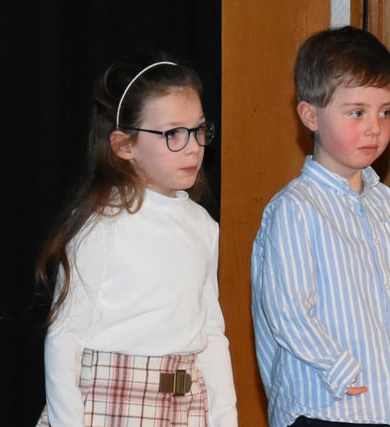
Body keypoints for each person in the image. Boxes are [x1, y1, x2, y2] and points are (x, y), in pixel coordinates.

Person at [34, 51, 238, 427]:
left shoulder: (203, 227)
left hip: (185, 405)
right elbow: (64, 339)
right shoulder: (102, 226)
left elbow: (211, 334)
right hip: (109, 408)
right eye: (173, 133)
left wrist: (226, 418)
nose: (193, 146)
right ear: (124, 146)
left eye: (199, 130)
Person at [250, 26, 390, 427]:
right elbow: (286, 311)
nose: (375, 127)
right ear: (310, 116)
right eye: (357, 112)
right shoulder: (296, 209)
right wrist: (338, 367)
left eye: (385, 111)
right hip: (326, 409)